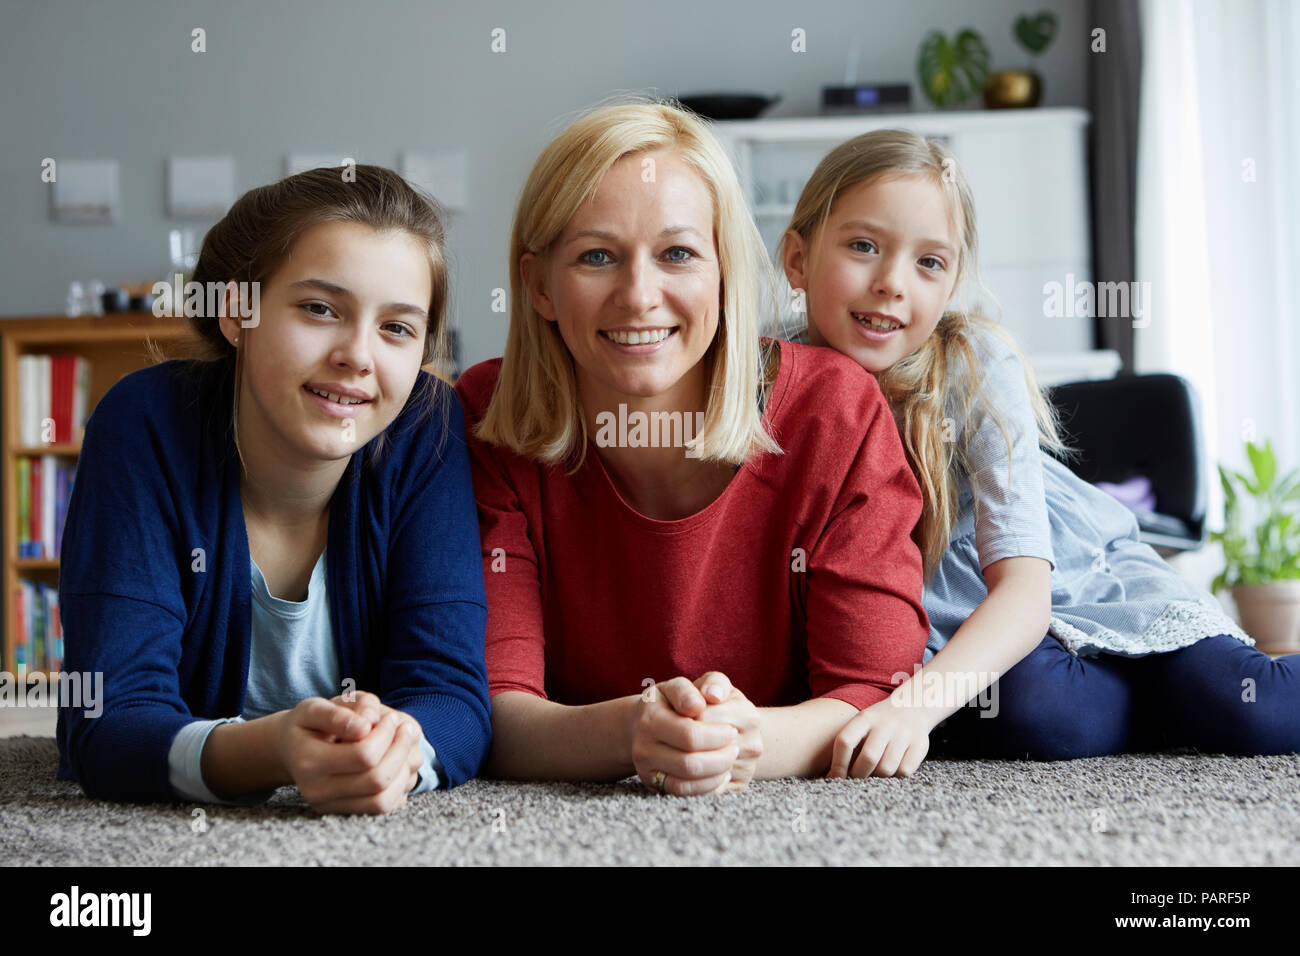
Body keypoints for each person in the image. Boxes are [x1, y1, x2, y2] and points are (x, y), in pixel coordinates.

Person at [778, 128, 1300, 777]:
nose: (891, 283)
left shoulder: (971, 367)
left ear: (952, 285)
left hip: (1078, 587)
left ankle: (1179, 694)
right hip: (968, 642)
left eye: (929, 263)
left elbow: (1025, 591)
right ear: (797, 258)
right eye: (863, 246)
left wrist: (914, 709)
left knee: (1254, 711)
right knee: (1031, 713)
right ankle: (1160, 709)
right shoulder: (771, 380)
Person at [454, 98, 930, 798]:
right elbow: (496, 712)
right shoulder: (487, 417)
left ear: (725, 271)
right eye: (596, 256)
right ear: (539, 286)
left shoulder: (834, 408)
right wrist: (633, 731)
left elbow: (874, 689)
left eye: (677, 253)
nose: (639, 296)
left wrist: (745, 742)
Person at [56, 165, 491, 814]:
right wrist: (276, 749)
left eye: (396, 328)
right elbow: (107, 721)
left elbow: (452, 697)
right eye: (320, 309)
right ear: (236, 312)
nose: (358, 355)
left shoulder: (427, 427)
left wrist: (396, 755)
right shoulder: (141, 424)